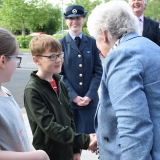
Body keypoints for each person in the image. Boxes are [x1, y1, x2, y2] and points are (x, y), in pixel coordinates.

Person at [87, 0, 160, 159]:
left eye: (96, 40)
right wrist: (104, 136)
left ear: (104, 34)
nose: (99, 49)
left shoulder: (122, 55)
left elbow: (134, 128)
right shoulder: (151, 47)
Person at [24, 34, 97, 160]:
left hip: (67, 151)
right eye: (52, 56)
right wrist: (85, 141)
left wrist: (75, 149)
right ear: (36, 60)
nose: (58, 60)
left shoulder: (60, 82)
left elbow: (70, 118)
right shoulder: (33, 90)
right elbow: (49, 127)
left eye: (60, 55)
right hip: (48, 154)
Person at [0, 28, 50, 160]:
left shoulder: (6, 92)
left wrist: (32, 152)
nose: (17, 63)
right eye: (16, 58)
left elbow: (21, 138)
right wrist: (38, 156)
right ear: (3, 60)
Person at [59, 5, 103, 134]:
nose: (74, 21)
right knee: (72, 143)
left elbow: (98, 72)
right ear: (66, 20)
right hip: (69, 103)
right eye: (71, 18)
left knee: (94, 141)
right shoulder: (59, 44)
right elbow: (60, 74)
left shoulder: (92, 43)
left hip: (90, 102)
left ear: (83, 19)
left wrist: (90, 95)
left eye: (78, 18)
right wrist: (73, 96)